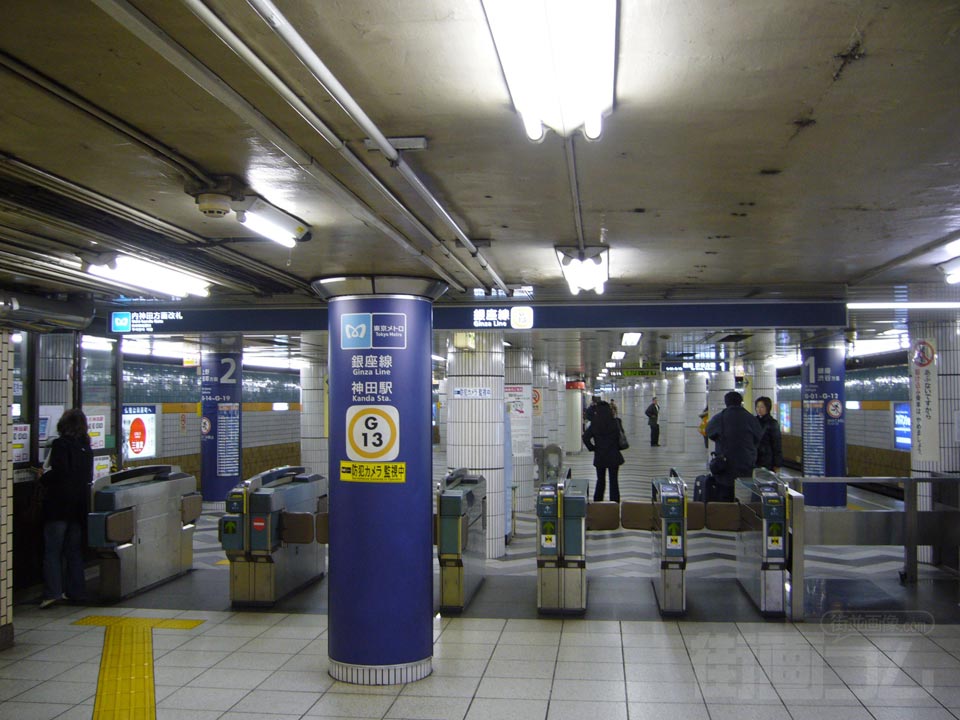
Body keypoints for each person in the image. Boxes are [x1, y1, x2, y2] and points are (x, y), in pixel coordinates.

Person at [40, 408, 93, 608]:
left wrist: (42, 477)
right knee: (73, 551)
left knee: (53, 550)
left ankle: (53, 592)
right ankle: (76, 591)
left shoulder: (60, 445)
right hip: (78, 507)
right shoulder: (86, 447)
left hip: (58, 506)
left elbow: (58, 474)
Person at [705, 391, 761, 502]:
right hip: (746, 464)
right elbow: (758, 436)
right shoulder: (750, 418)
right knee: (745, 496)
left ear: (726, 402)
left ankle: (728, 516)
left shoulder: (720, 418)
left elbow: (709, 432)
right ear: (741, 402)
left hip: (725, 465)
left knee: (725, 497)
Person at [582, 401, 624, 502]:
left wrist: (592, 448)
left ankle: (598, 502)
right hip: (614, 455)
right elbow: (621, 435)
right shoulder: (616, 422)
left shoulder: (595, 424)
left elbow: (585, 437)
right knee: (614, 481)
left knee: (600, 481)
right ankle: (615, 504)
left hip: (600, 455)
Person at [754, 396, 783, 473]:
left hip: (767, 460)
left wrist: (777, 464)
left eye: (762, 407)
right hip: (754, 459)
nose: (759, 409)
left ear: (768, 408)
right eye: (757, 407)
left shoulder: (772, 423)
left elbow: (777, 444)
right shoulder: (753, 421)